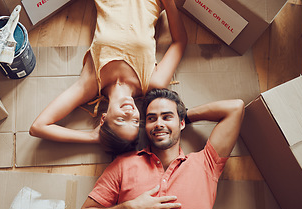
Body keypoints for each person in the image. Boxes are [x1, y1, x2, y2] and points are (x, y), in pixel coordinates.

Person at [78, 88, 245, 209]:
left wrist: (185, 116)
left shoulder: (206, 163)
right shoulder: (123, 165)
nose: (159, 124)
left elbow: (235, 108)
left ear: (181, 123)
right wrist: (129, 208)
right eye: (152, 118)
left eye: (167, 117)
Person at [29, 0, 187, 154]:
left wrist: (92, 137)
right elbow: (180, 42)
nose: (130, 113)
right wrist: (169, 3)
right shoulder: (153, 82)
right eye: (134, 121)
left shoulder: (90, 84)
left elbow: (38, 127)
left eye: (120, 120)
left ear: (103, 119)